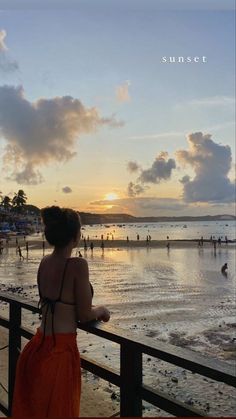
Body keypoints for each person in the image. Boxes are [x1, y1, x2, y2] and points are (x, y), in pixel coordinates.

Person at [12, 206, 110, 417]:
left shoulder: (44, 262)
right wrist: (101, 309)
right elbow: (84, 315)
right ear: (76, 236)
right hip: (60, 354)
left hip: (36, 347)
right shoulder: (78, 266)